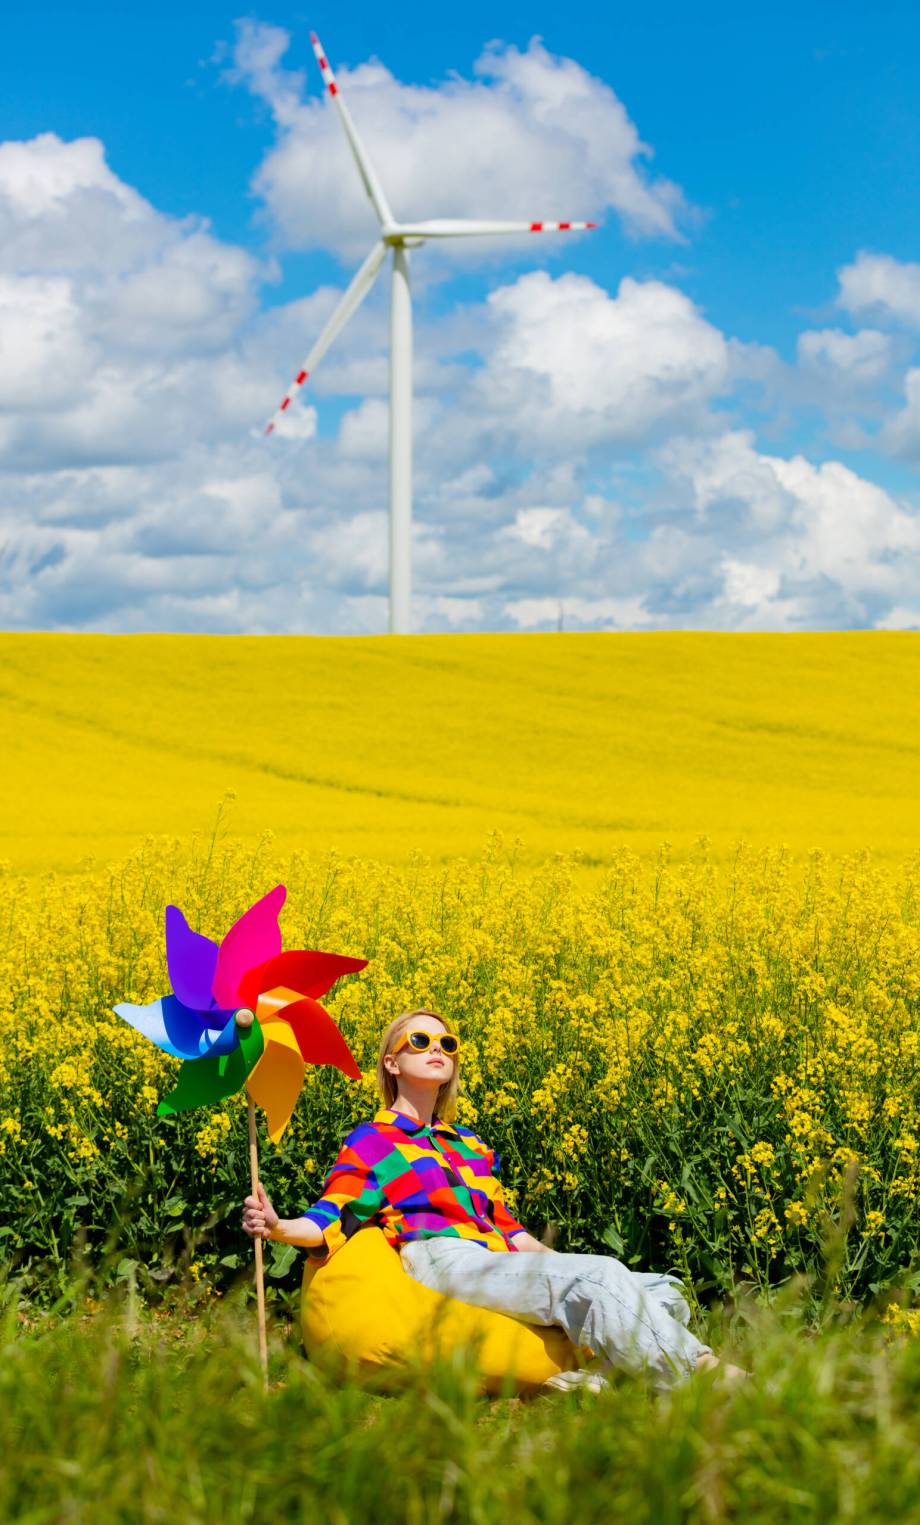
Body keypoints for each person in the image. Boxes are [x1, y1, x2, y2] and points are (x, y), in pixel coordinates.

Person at [243, 1008, 747, 1392]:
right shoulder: (373, 1140)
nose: (436, 1047)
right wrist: (277, 1225)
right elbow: (330, 1215)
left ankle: (592, 1381)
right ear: (392, 1062)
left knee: (667, 1289)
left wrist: (573, 1269)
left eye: (447, 1042)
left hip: (493, 1258)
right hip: (439, 1258)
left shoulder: (471, 1146)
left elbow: (510, 1231)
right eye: (419, 1040)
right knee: (605, 1282)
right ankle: (708, 1379)